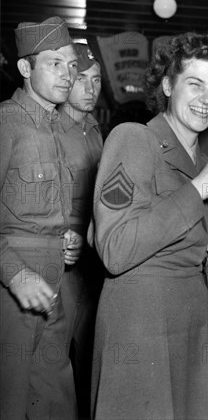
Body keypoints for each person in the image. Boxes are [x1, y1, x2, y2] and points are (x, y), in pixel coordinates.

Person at [91, 31, 208, 419]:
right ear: (167, 84)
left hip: (191, 321)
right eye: (194, 84)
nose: (207, 100)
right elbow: (114, 250)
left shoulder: (201, 160)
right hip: (140, 324)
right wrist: (197, 191)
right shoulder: (133, 139)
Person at [0, 16, 82, 419]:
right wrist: (15, 274)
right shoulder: (6, 123)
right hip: (13, 283)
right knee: (10, 397)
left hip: (54, 280)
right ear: (25, 68)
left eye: (71, 64)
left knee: (55, 398)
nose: (68, 74)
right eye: (55, 63)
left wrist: (67, 237)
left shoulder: (57, 128)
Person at [56, 42, 104, 418]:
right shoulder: (51, 128)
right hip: (63, 258)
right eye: (82, 80)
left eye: (97, 80)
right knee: (55, 361)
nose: (90, 88)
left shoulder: (94, 130)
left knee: (90, 351)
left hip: (95, 255)